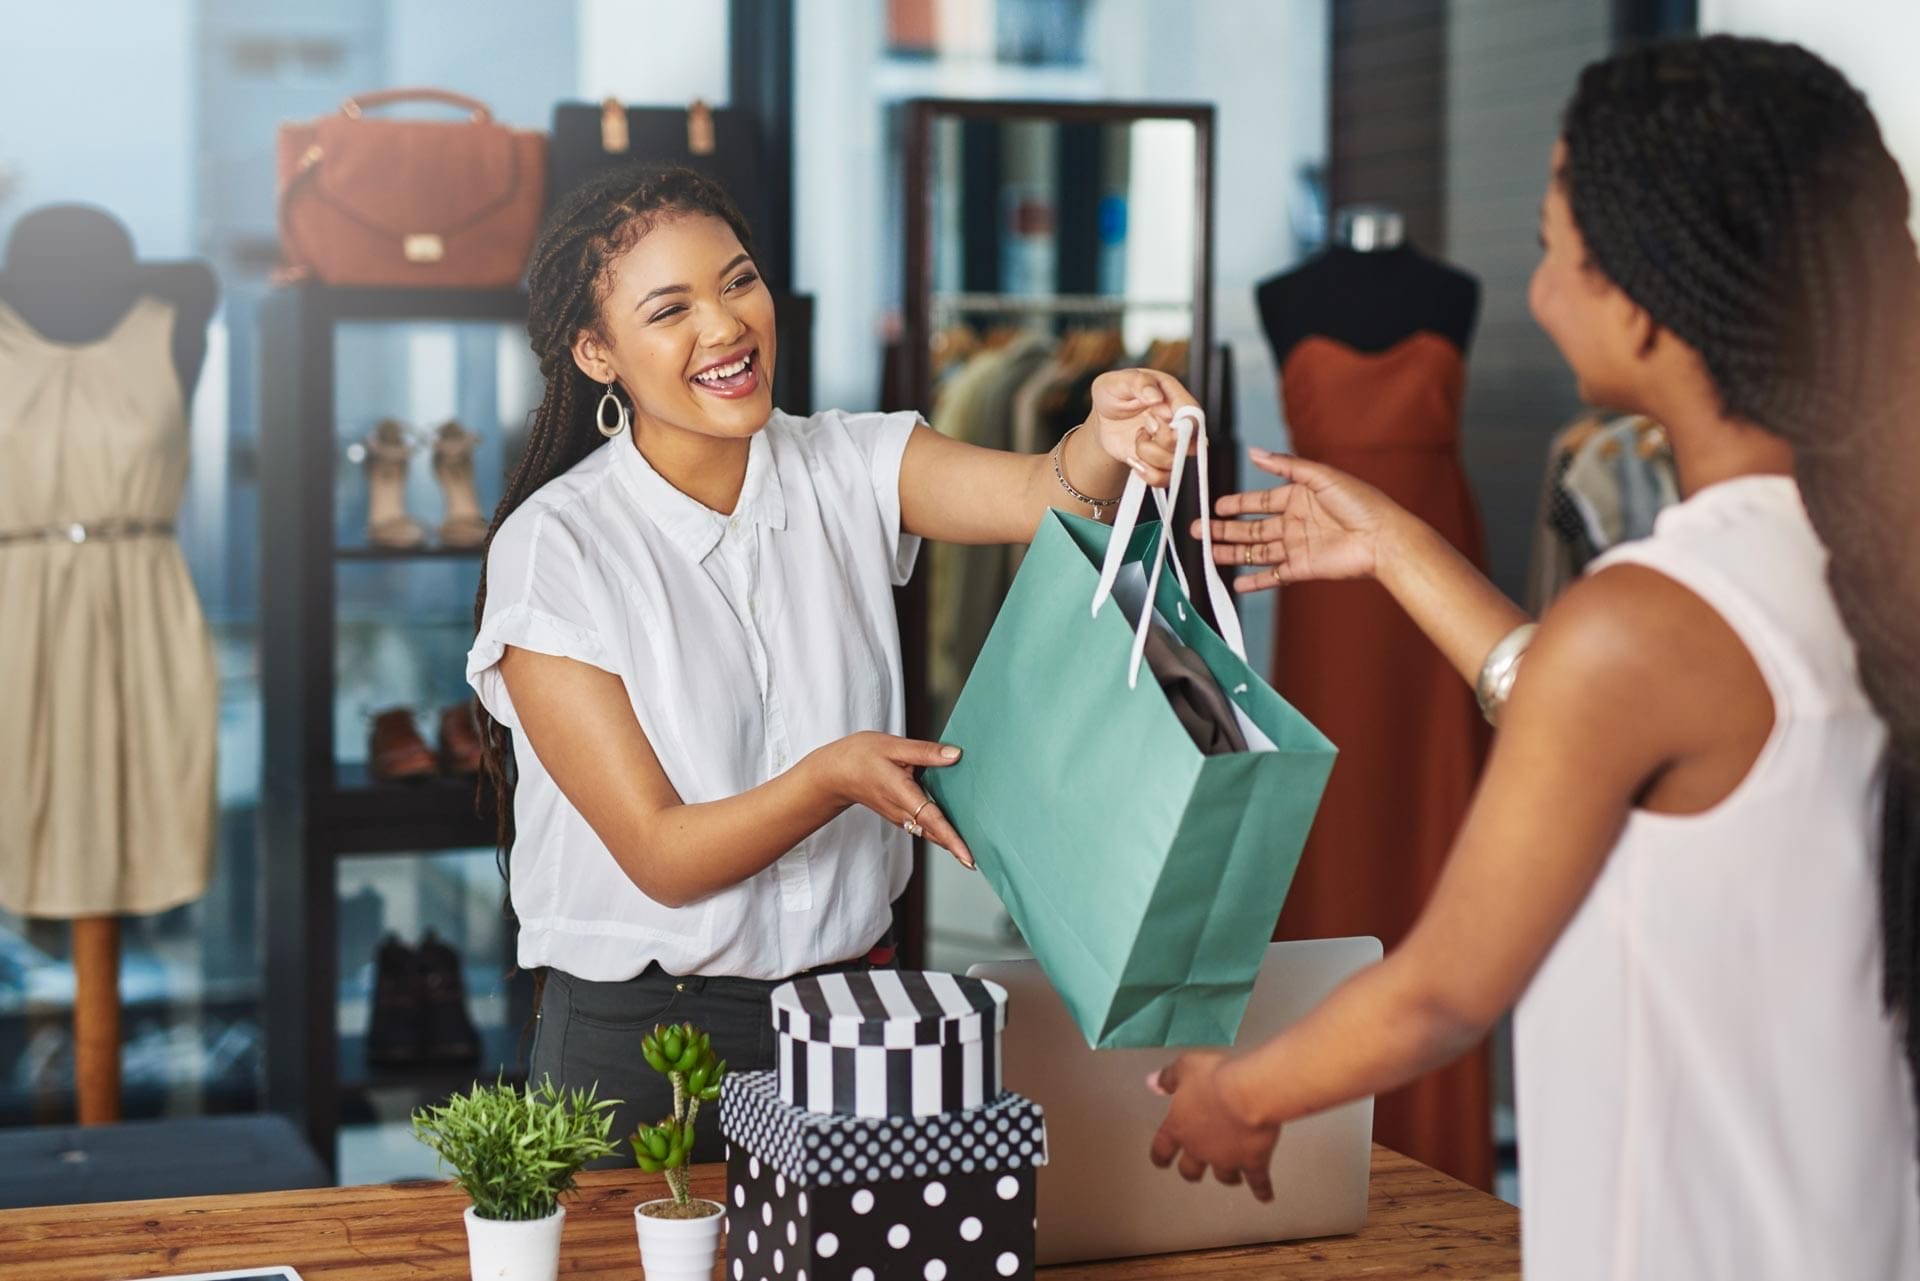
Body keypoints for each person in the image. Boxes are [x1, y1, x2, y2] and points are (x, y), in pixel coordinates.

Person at [1150, 36, 1920, 1278]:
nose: (1541, 284)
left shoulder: (1653, 621)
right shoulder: (1851, 564)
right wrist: (1398, 548)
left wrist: (1239, 1092)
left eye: (1560, 248)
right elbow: (1587, 703)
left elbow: (1442, 991)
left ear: (1652, 300)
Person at [467, 165, 1195, 1161]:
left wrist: (1107, 435)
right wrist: (831, 777)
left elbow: (1046, 492)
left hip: (853, 1019)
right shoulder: (559, 548)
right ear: (598, 353)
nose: (724, 327)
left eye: (737, 283)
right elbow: (660, 855)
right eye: (670, 309)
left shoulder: (851, 463)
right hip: (642, 1045)